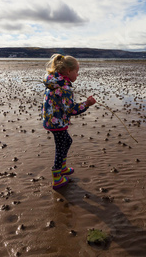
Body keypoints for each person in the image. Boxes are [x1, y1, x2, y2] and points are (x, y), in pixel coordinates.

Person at [42, 54, 96, 189]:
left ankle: (62, 167)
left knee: (67, 141)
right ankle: (57, 176)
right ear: (68, 72)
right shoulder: (64, 87)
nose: (77, 75)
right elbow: (71, 109)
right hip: (57, 122)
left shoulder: (54, 81)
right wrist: (87, 103)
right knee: (61, 146)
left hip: (51, 119)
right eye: (76, 72)